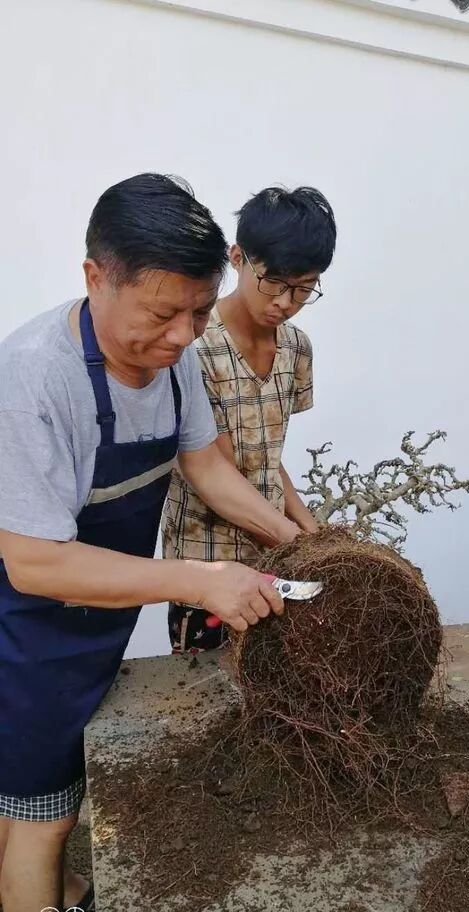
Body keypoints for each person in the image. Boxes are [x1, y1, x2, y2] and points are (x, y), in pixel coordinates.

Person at [0, 174, 301, 912]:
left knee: (67, 791)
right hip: (25, 631)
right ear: (97, 275)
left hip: (97, 618)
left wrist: (303, 542)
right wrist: (202, 579)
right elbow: (35, 562)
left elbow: (206, 466)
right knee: (41, 815)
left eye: (199, 314)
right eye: (161, 314)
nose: (182, 335)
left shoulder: (175, 364)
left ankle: (56, 900)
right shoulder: (33, 379)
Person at [162, 186, 336, 654]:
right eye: (274, 282)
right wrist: (299, 547)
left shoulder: (297, 348)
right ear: (237, 258)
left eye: (304, 288)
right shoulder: (193, 348)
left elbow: (266, 458)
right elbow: (212, 468)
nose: (285, 301)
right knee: (207, 700)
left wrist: (319, 539)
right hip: (208, 565)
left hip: (278, 560)